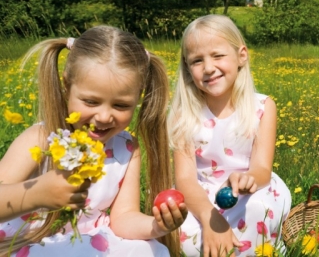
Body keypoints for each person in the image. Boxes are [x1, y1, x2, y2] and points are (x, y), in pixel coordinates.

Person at [0, 26, 187, 257]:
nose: (104, 117)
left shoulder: (126, 147)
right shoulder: (42, 138)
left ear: (137, 99)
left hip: (90, 242)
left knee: (150, 250)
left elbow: (123, 218)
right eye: (90, 102)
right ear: (67, 86)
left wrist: (158, 226)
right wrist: (38, 194)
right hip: (31, 244)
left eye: (121, 105)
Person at [169, 15, 291, 257]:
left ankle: (262, 249)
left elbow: (262, 169)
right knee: (186, 240)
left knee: (257, 211)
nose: (208, 68)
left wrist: (247, 180)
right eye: (197, 60)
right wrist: (210, 219)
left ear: (241, 56)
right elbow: (185, 179)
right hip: (200, 196)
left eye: (217, 55)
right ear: (187, 67)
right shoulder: (182, 115)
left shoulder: (263, 107)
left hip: (252, 190)